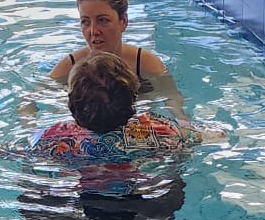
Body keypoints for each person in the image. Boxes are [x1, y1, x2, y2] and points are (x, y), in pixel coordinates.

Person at [27, 52, 201, 168]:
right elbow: (202, 136)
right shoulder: (160, 130)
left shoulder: (53, 137)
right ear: (132, 97)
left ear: (72, 106)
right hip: (144, 200)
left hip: (85, 199)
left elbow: (18, 152)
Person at [48, 0, 166, 89]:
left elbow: (172, 98)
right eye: (85, 21)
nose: (93, 31)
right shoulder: (68, 69)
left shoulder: (147, 65)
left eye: (102, 20)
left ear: (123, 21)